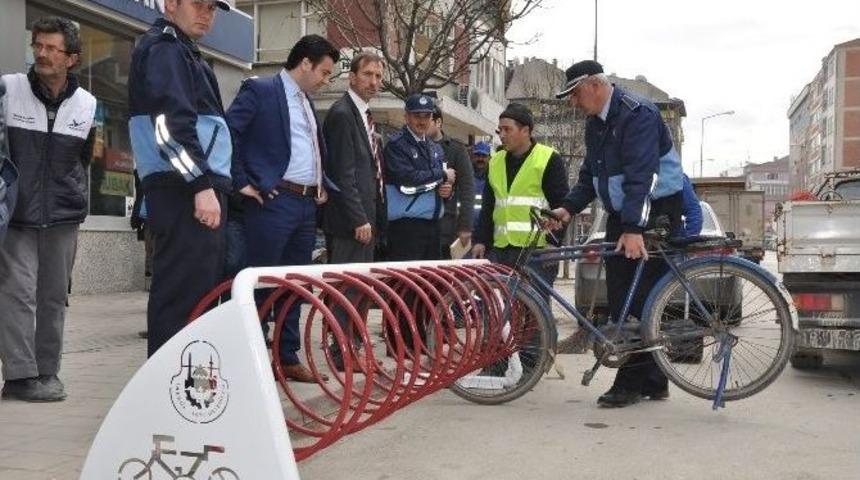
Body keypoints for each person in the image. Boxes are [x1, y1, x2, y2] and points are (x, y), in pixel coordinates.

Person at [550, 60, 686, 408]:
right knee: (632, 295)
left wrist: (633, 229)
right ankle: (654, 381)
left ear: (595, 85)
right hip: (626, 214)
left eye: (576, 94)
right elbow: (589, 176)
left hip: (652, 212)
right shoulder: (596, 123)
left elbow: (643, 176)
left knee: (632, 301)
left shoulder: (636, 113)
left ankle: (628, 383)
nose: (573, 103)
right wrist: (567, 208)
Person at [226, 34, 339, 383]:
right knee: (261, 281)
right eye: (323, 71)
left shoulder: (306, 101)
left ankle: (286, 355)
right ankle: (253, 353)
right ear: (305, 63)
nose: (325, 80)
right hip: (273, 202)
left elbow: (309, 149)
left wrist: (322, 184)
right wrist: (241, 180)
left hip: (306, 205)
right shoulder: (261, 90)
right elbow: (229, 132)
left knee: (295, 284)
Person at [128, 0, 233, 357]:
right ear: (171, 3)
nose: (207, 13)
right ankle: (170, 393)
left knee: (198, 298)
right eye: (199, 4)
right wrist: (201, 185)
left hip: (190, 186)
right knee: (181, 300)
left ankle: (187, 390)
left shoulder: (184, 51)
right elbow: (170, 128)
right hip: (183, 190)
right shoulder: (166, 48)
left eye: (213, 8)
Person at [0, 17, 96, 402]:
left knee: (54, 297)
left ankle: (47, 371)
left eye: (51, 48)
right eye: (38, 45)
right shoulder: (9, 88)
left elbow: (84, 159)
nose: (41, 53)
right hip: (17, 213)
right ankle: (20, 376)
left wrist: (72, 194)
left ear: (71, 58)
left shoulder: (87, 104)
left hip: (62, 215)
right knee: (17, 292)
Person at [320, 51, 385, 372]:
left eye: (378, 76)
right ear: (352, 77)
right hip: (350, 223)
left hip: (367, 220)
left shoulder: (365, 116)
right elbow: (343, 173)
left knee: (361, 288)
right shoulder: (343, 114)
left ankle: (354, 347)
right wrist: (358, 217)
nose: (374, 81)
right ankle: (341, 350)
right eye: (368, 74)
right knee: (347, 288)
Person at [470, 103, 569, 288]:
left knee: (533, 310)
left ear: (526, 130)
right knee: (500, 306)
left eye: (507, 129)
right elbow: (489, 207)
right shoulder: (495, 162)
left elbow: (562, 206)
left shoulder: (548, 159)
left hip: (537, 251)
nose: (502, 135)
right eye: (499, 130)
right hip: (500, 250)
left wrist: (553, 244)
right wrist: (480, 240)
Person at [383, 94, 455, 261]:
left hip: (433, 225)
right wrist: (442, 175)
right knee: (406, 284)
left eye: (427, 116)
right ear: (406, 116)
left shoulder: (434, 147)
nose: (422, 121)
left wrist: (447, 191)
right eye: (417, 115)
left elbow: (437, 183)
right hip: (406, 228)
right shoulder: (396, 145)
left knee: (430, 284)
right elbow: (407, 180)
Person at [429, 107, 475, 259]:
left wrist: (465, 226)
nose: (421, 123)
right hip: (418, 226)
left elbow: (467, 189)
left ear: (438, 122)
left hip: (446, 227)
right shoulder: (414, 147)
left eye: (426, 119)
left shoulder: (456, 149)